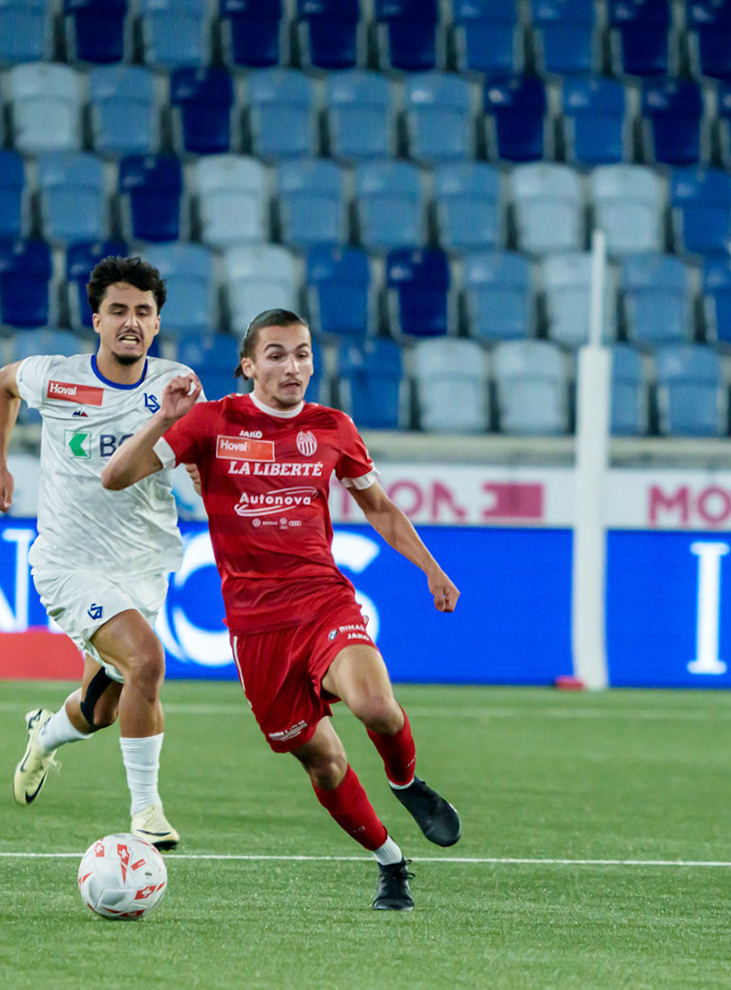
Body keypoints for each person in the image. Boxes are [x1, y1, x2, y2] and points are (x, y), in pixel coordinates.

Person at [100, 308, 463, 910]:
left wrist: (431, 568)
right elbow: (116, 477)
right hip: (256, 630)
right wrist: (165, 417)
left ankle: (406, 781)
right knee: (325, 765)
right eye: (276, 355)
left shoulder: (333, 428)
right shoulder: (210, 423)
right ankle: (390, 861)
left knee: (376, 705)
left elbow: (378, 508)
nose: (292, 366)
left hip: (323, 600)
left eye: (302, 354)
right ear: (248, 365)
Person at [0, 256, 189, 850]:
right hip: (68, 564)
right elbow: (3, 383)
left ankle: (44, 737)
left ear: (156, 323)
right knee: (147, 660)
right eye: (118, 310)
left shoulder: (177, 385)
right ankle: (146, 813)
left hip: (142, 568)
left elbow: (197, 455)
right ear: (96, 319)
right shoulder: (57, 377)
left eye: (143, 312)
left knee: (101, 710)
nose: (131, 322)